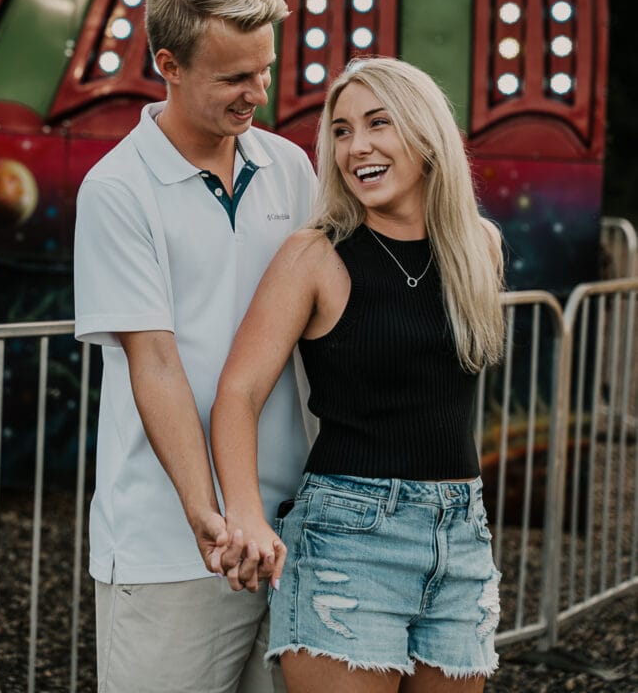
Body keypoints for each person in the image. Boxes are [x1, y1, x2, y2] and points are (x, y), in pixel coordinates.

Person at [211, 56, 505, 693]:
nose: (356, 147)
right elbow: (238, 391)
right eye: (341, 131)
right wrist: (245, 515)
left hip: (462, 536)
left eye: (378, 123)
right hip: (348, 540)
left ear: (426, 134)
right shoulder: (315, 255)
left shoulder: (478, 246)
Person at [73, 0, 317, 693]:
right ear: (168, 65)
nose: (257, 93)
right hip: (169, 541)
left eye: (264, 69)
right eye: (234, 78)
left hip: (293, 534)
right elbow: (155, 363)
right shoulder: (117, 188)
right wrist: (206, 515)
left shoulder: (291, 167)